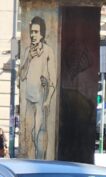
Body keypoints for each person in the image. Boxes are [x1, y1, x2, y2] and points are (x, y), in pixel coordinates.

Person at [19, 16, 56, 159]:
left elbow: (53, 80)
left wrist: (47, 100)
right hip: (29, 100)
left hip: (41, 100)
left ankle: (41, 161)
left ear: (42, 34)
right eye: (31, 32)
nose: (33, 35)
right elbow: (22, 76)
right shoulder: (28, 51)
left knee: (40, 134)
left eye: (36, 32)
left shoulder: (48, 51)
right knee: (29, 133)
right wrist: (28, 59)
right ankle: (33, 161)